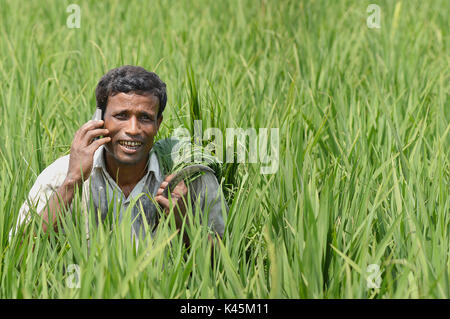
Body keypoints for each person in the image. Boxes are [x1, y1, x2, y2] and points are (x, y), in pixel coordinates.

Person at [11, 65, 226, 247]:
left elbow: (224, 269)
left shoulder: (190, 181)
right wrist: (71, 183)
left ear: (158, 124)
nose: (133, 129)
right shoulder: (60, 175)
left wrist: (184, 223)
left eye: (145, 117)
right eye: (121, 116)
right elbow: (17, 257)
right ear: (99, 119)